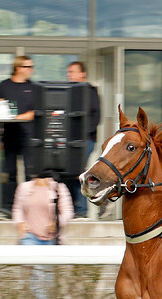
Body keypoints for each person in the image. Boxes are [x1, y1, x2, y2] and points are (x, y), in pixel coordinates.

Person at [0, 55, 36, 208]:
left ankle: (29, 206)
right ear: (18, 68)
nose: (31, 70)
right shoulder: (4, 86)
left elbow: (36, 111)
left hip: (28, 136)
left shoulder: (33, 87)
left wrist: (19, 117)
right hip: (9, 135)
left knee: (29, 173)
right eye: (28, 67)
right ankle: (9, 207)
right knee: (9, 173)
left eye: (31, 67)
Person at [66, 61, 101, 218]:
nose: (70, 75)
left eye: (73, 72)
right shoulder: (67, 92)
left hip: (85, 140)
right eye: (68, 72)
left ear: (82, 74)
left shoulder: (90, 91)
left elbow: (96, 115)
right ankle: (71, 207)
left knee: (79, 173)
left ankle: (81, 210)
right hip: (69, 140)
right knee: (69, 172)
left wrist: (83, 134)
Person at [12, 173, 74, 245]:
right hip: (29, 236)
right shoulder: (24, 187)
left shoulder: (59, 187)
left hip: (52, 237)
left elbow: (67, 211)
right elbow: (18, 209)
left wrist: (57, 222)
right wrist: (20, 223)